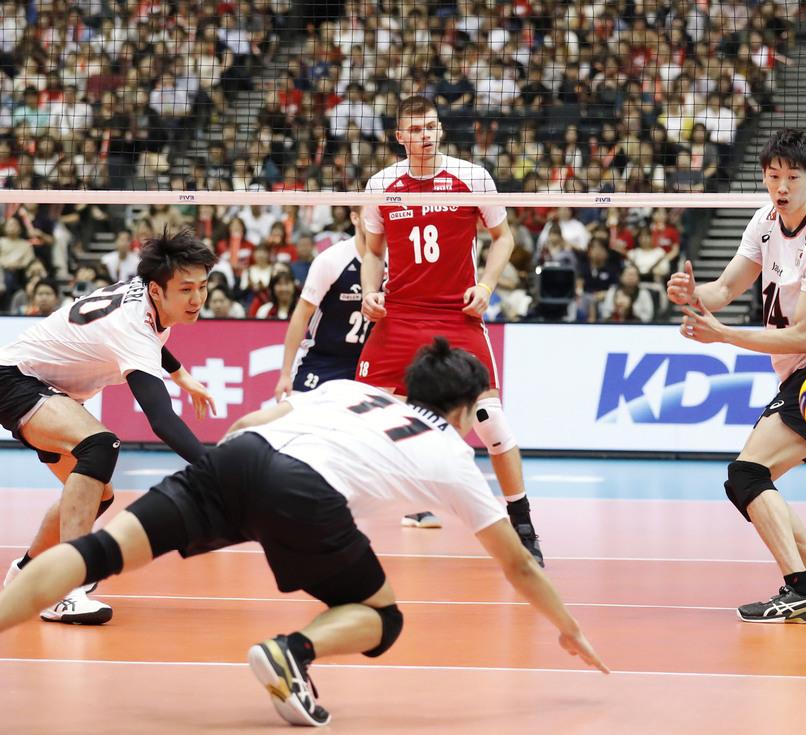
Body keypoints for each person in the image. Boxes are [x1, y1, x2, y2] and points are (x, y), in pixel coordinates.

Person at [0, 339, 608, 727]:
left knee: (94, 554)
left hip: (239, 459)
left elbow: (248, 421)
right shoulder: (451, 455)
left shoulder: (350, 390)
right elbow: (519, 565)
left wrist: (225, 492)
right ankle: (292, 653)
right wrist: (570, 628)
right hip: (304, 495)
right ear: (467, 408)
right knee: (381, 616)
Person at [667, 129, 806, 623]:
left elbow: (804, 335)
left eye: (792, 178)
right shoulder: (764, 222)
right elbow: (725, 288)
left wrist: (722, 337)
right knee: (749, 482)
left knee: (747, 475)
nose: (781, 187)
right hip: (804, 373)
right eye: (773, 176)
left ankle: (799, 590)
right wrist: (693, 295)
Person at [0, 229, 217, 624]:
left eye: (203, 286)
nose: (197, 299)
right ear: (156, 290)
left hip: (51, 389)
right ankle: (65, 588)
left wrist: (183, 375)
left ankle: (29, 571)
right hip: (17, 379)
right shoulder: (133, 325)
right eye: (186, 289)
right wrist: (219, 465)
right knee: (99, 446)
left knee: (95, 495)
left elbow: (155, 342)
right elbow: (161, 419)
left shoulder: (146, 296)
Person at [360, 95, 543, 563]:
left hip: (455, 314)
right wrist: (370, 292)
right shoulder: (382, 184)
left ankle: (522, 523)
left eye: (431, 127)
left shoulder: (472, 177)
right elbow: (373, 251)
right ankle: (336, 522)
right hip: (399, 314)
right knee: (359, 423)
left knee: (492, 422)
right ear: (399, 137)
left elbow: (505, 239)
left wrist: (486, 285)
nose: (425, 135)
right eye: (416, 129)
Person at [273, 208, 371, 401]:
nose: (376, 220)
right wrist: (285, 373)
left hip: (367, 365)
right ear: (355, 218)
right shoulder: (331, 260)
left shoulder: (394, 260)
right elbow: (301, 315)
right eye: (370, 216)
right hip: (323, 360)